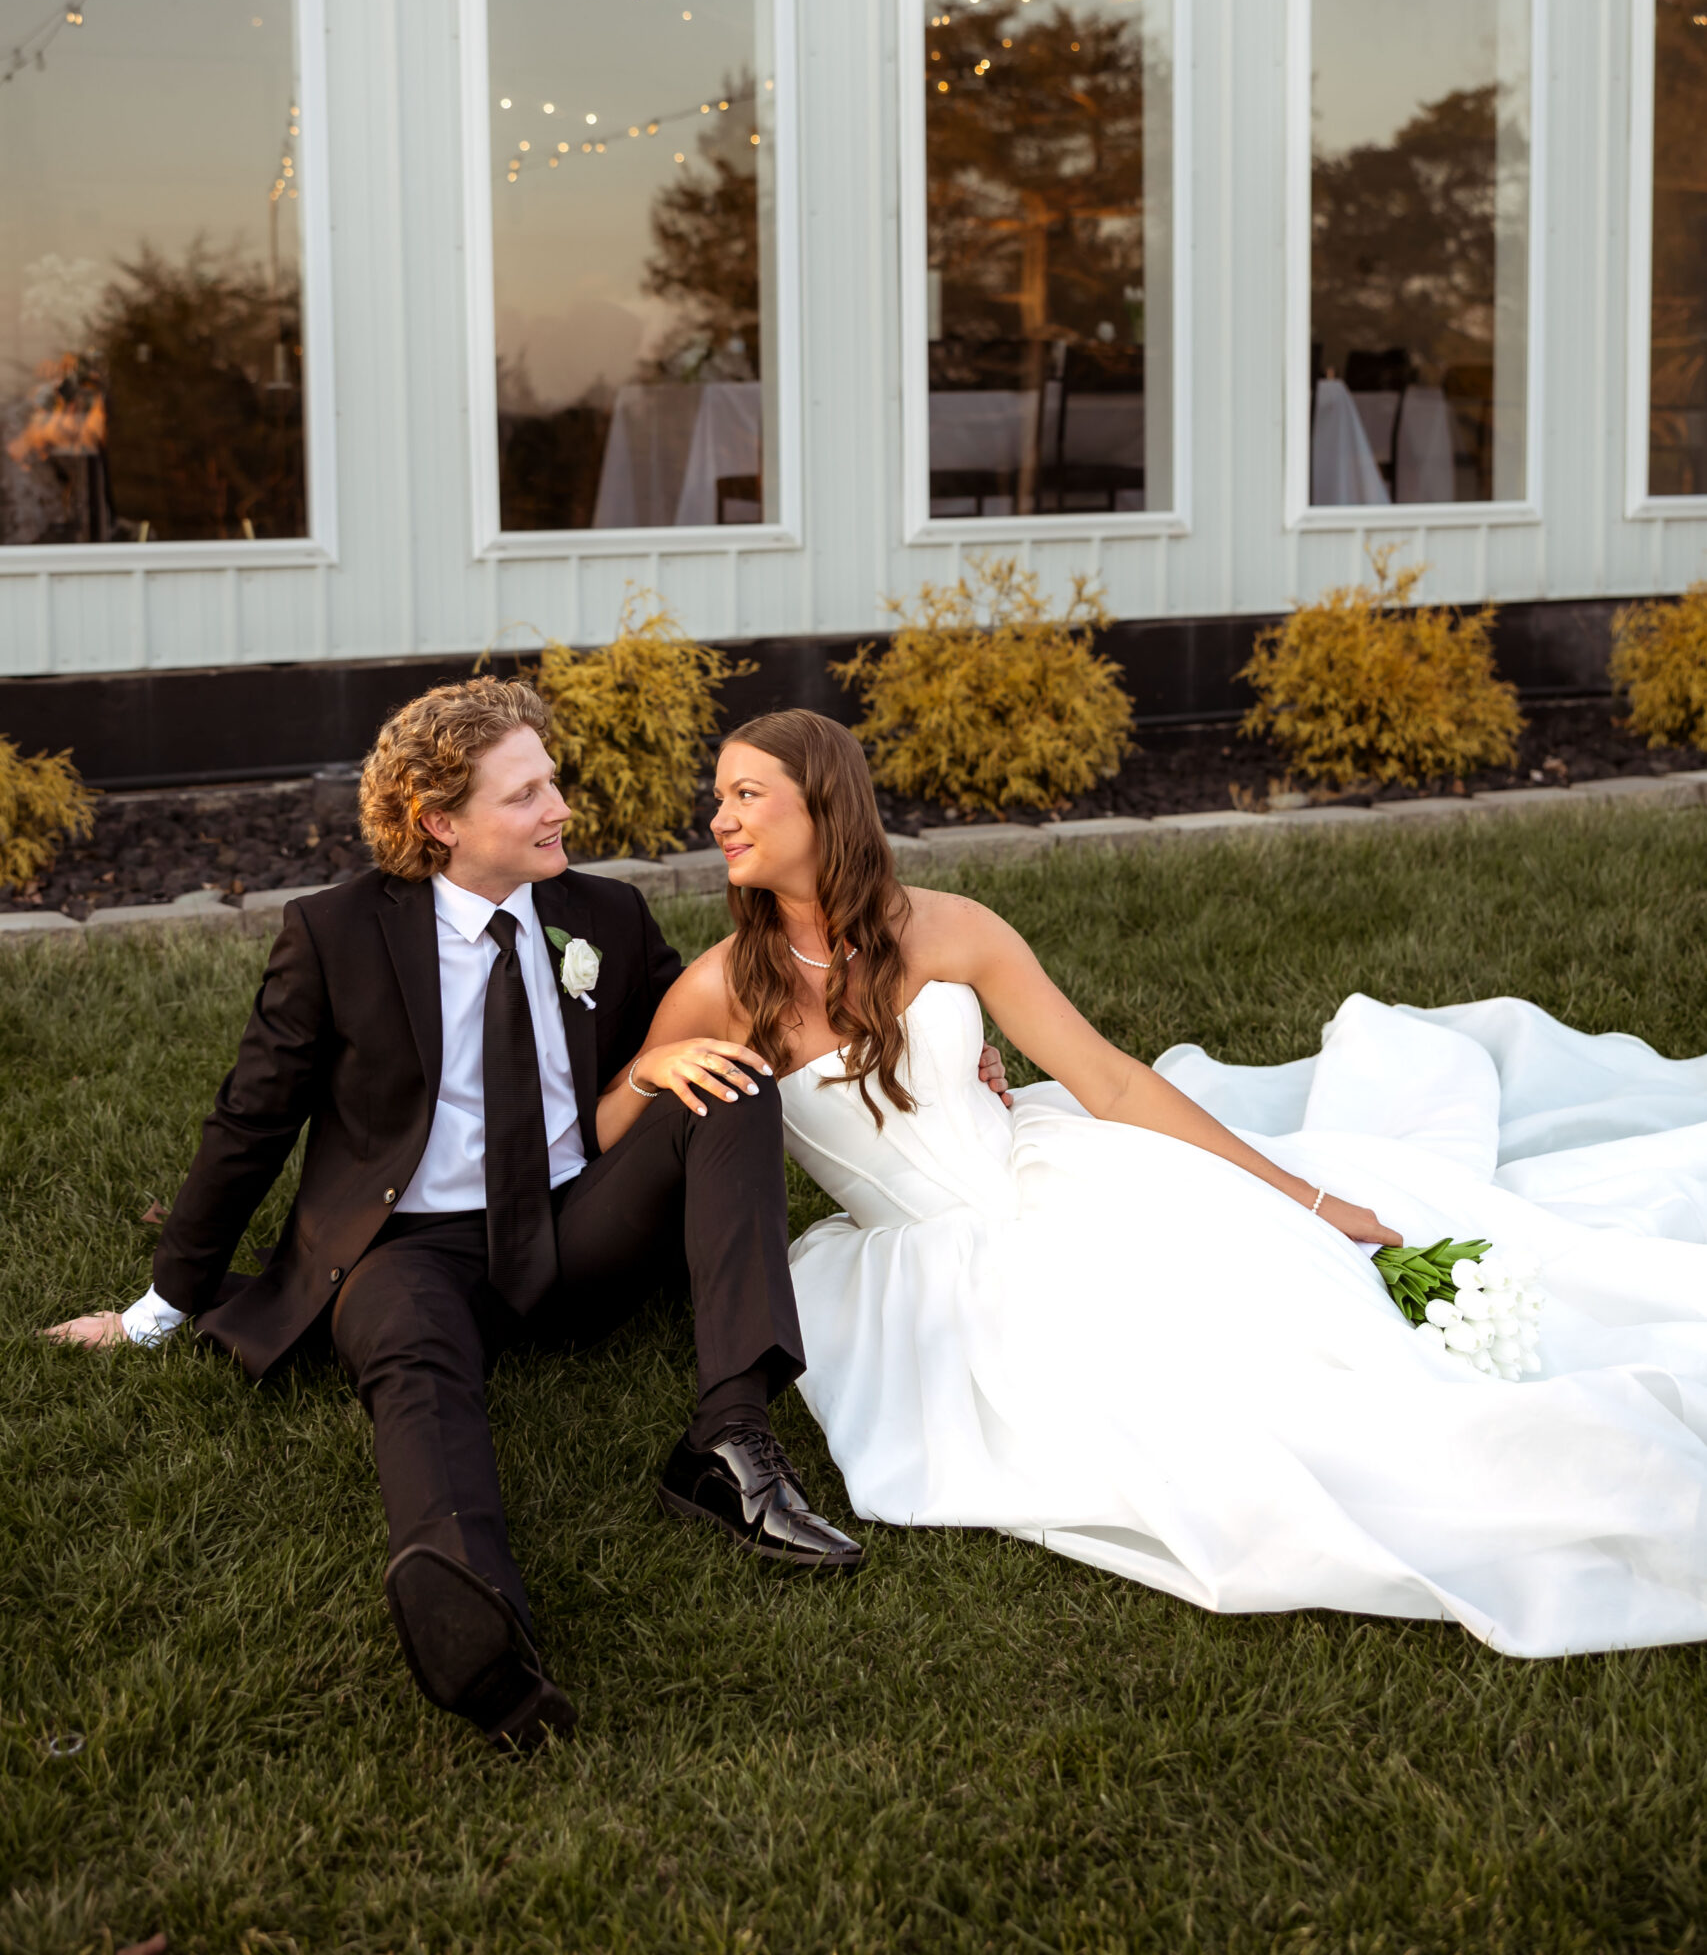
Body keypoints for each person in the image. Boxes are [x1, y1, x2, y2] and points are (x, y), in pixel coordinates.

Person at [640, 707, 1707, 1659]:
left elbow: (1107, 1079)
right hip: (921, 1257)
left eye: (746, 794)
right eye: (718, 796)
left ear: (824, 806)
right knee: (1152, 1414)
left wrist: (1309, 1198)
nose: (721, 817)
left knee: (1289, 1335)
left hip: (1057, 1173)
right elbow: (610, 1128)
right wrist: (652, 1068)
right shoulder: (719, 987)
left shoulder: (953, 926)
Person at [44, 678, 860, 1752]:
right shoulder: (333, 934)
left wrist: (922, 1047)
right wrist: (159, 1306)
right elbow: (247, 1126)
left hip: (579, 1223)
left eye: (551, 780)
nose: (558, 806)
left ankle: (730, 1441)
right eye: (524, 794)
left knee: (732, 1079)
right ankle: (480, 1622)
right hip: (411, 1251)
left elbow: (746, 1008)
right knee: (418, 1367)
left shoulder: (603, 914)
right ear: (441, 821)